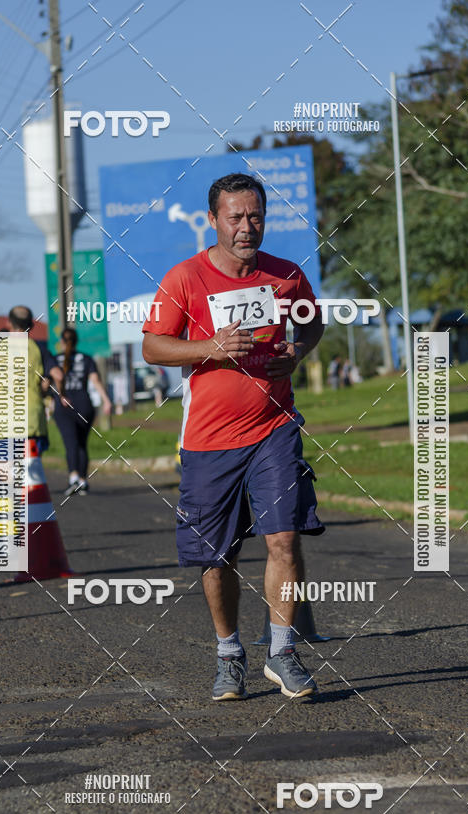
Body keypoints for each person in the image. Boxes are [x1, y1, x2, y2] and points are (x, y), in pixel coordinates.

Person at [142, 172, 325, 702]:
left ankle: (284, 652)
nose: (247, 227)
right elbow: (154, 347)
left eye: (256, 216)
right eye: (236, 217)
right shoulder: (185, 278)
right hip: (208, 439)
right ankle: (229, 655)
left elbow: (313, 324)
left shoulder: (286, 275)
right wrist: (210, 349)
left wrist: (301, 348)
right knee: (216, 558)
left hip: (274, 427)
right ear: (214, 220)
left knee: (283, 537)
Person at [0, 306, 64, 460]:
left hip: (3, 422)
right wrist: (62, 395)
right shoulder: (39, 350)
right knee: (30, 471)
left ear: (8, 323)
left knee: (6, 476)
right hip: (31, 421)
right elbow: (59, 376)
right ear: (32, 325)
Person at [53, 327, 112, 497]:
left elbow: (51, 381)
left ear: (62, 342)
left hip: (64, 406)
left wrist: (57, 397)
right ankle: (83, 480)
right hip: (85, 405)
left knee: (70, 443)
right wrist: (106, 400)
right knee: (82, 443)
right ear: (76, 341)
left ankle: (73, 478)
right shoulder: (86, 359)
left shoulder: (55, 359)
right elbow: (95, 380)